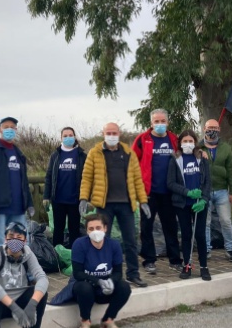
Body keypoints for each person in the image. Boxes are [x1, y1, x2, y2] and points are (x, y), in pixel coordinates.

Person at [79, 122, 151, 288]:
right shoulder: (95, 153)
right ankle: (106, 275)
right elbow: (87, 177)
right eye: (108, 132)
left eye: (114, 132)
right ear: (103, 133)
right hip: (104, 205)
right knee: (103, 240)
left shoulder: (128, 152)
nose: (112, 135)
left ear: (119, 134)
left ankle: (133, 274)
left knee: (131, 241)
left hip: (126, 204)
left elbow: (137, 180)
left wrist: (144, 201)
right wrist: (83, 198)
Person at [50, 214, 132, 328]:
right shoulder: (80, 244)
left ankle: (108, 320)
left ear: (105, 228)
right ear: (87, 231)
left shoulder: (114, 245)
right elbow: (77, 273)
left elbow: (118, 272)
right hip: (84, 285)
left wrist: (111, 281)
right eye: (91, 229)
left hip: (105, 286)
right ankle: (85, 322)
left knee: (124, 287)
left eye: (98, 228)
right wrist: (97, 281)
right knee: (84, 288)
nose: (95, 231)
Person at [132, 108, 182, 274]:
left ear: (167, 122)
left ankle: (175, 260)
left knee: (171, 227)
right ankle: (149, 260)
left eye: (162, 121)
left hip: (169, 192)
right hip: (148, 193)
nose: (159, 124)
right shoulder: (143, 139)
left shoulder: (174, 139)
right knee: (147, 227)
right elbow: (132, 162)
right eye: (156, 122)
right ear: (151, 123)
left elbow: (185, 156)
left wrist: (200, 153)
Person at [0, 117, 35, 250]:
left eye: (12, 127)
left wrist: (29, 203)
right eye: (6, 127)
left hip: (18, 208)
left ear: (16, 130)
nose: (9, 129)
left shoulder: (19, 153)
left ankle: (21, 270)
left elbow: (24, 180)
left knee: (21, 243)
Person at [167, 130, 212, 281]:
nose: (187, 143)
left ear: (195, 142)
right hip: (183, 204)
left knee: (200, 235)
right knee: (186, 235)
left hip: (200, 204)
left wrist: (204, 199)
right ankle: (187, 265)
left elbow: (207, 182)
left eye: (190, 141)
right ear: (180, 143)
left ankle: (204, 267)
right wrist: (187, 192)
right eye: (184, 141)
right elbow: (171, 183)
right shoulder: (175, 159)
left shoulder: (202, 158)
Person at [201, 119, 232, 263]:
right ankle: (207, 249)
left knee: (226, 221)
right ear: (204, 129)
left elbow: (230, 170)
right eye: (210, 127)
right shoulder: (199, 147)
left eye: (215, 128)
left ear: (219, 130)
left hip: (222, 190)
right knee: (206, 222)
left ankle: (230, 248)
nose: (212, 130)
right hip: (205, 191)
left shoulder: (225, 148)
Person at [43, 126, 87, 248]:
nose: (68, 138)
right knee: (58, 229)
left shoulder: (82, 155)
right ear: (61, 138)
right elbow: (49, 176)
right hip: (58, 200)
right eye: (65, 136)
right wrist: (46, 196)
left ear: (74, 137)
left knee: (74, 230)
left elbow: (88, 178)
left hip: (75, 200)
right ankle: (57, 256)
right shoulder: (55, 155)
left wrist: (86, 197)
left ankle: (74, 256)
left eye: (70, 135)